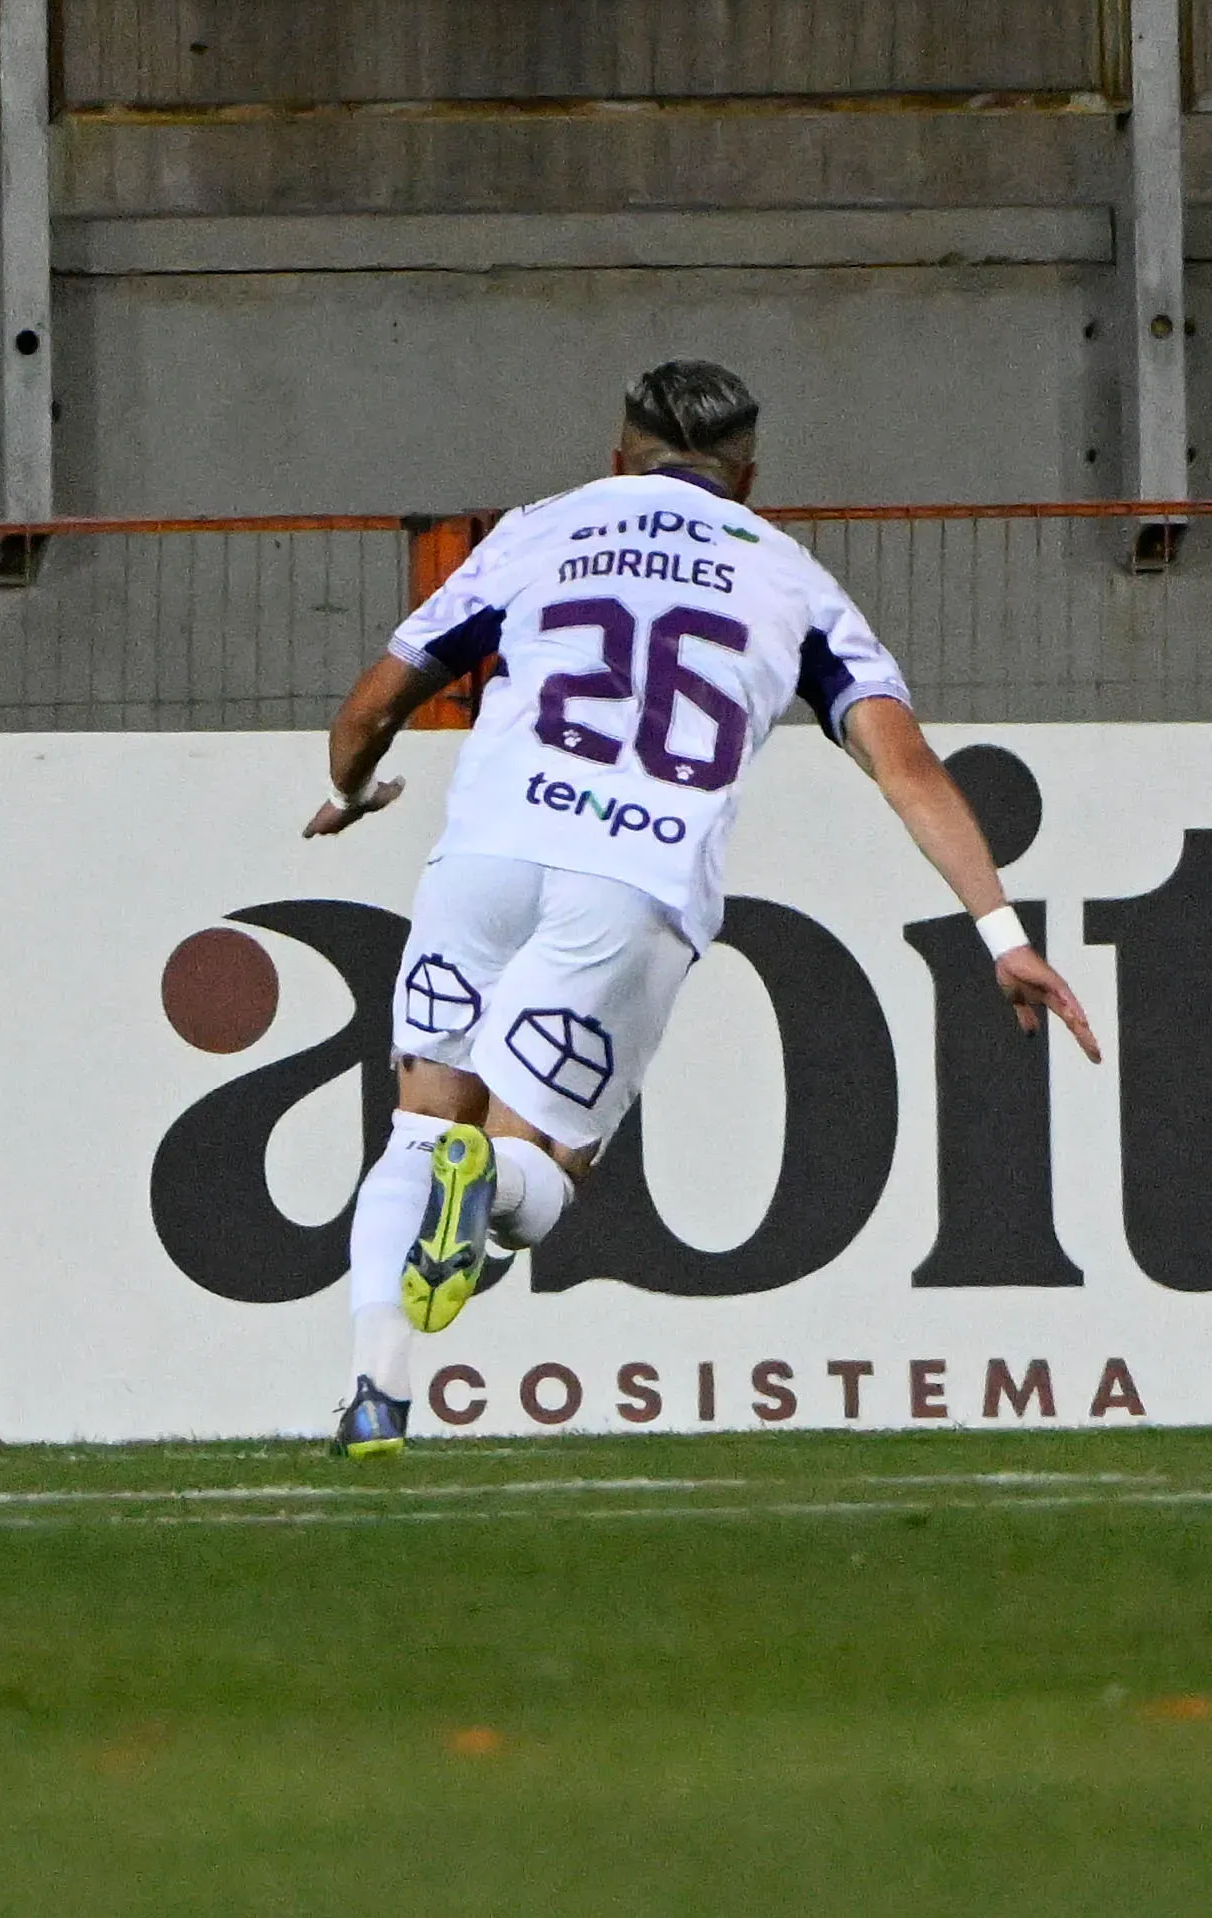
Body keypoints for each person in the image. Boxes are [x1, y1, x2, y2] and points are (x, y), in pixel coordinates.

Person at [303, 358, 1097, 1458]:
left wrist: (351, 791)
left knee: (417, 1127)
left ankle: (374, 1393)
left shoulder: (539, 529)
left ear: (616, 456)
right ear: (749, 478)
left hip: (484, 856)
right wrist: (1001, 930)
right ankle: (487, 1182)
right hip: (628, 883)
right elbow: (905, 764)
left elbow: (366, 710)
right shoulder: (793, 580)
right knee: (533, 1167)